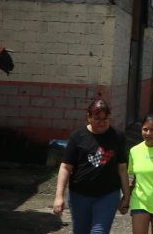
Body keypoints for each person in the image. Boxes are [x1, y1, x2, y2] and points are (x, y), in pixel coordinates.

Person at [53, 99, 130, 234]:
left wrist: (126, 197)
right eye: (97, 119)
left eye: (105, 119)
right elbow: (65, 167)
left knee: (99, 231)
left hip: (108, 195)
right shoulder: (78, 136)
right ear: (88, 117)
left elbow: (122, 169)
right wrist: (59, 196)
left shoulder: (118, 136)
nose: (102, 123)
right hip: (79, 195)